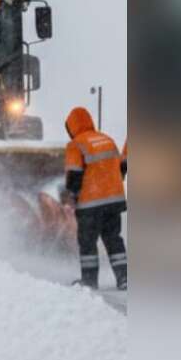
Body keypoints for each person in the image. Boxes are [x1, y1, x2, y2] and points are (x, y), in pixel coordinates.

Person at [62, 107, 128, 290]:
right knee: (114, 239)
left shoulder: (76, 144)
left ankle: (89, 281)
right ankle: (124, 278)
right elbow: (119, 167)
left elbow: (75, 174)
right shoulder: (107, 140)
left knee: (87, 242)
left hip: (90, 204)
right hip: (114, 201)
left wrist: (72, 197)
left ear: (72, 126)